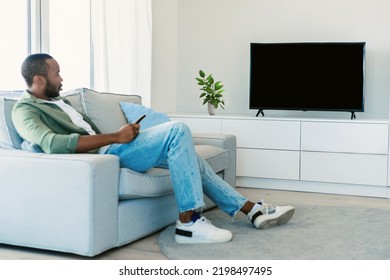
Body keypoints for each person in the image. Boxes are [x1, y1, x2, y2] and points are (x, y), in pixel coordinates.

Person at [12, 53, 295, 244]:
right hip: (105, 154)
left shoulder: (60, 102)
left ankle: (251, 210)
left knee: (187, 152)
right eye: (57, 74)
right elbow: (51, 143)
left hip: (115, 146)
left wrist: (127, 135)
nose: (62, 79)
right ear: (38, 79)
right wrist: (117, 136)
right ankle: (189, 220)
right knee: (178, 130)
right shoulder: (24, 110)